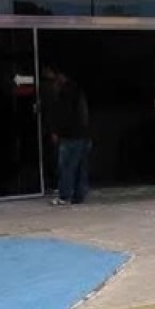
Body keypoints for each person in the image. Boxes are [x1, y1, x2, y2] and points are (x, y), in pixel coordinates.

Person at [42, 64, 91, 205]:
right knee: (80, 167)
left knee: (66, 166)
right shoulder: (78, 91)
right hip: (83, 134)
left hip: (70, 135)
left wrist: (56, 131)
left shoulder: (65, 93)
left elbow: (63, 114)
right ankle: (79, 195)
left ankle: (64, 195)